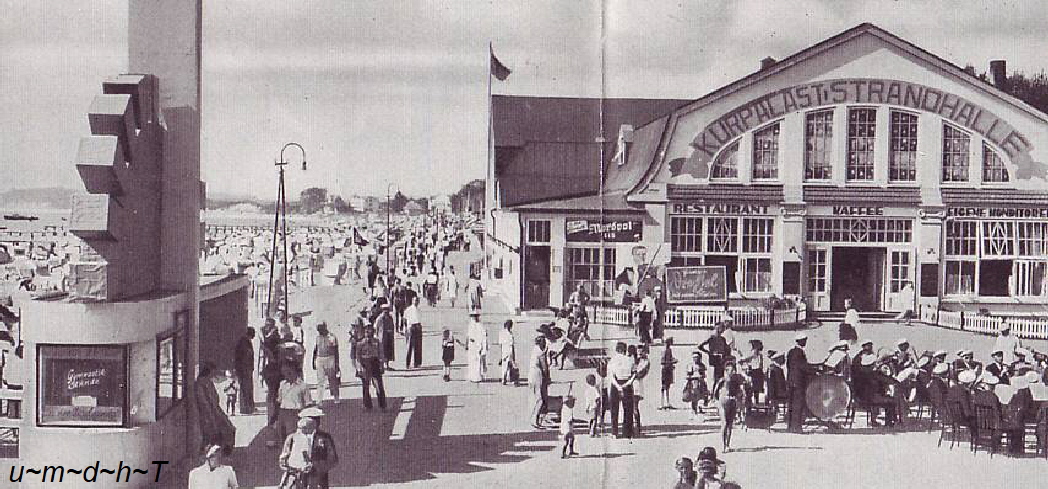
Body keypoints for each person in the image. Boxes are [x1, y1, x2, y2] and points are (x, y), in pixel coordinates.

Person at [195, 363, 236, 454]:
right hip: (209, 412)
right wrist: (212, 413)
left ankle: (226, 450)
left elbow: (214, 397)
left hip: (215, 410)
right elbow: (204, 401)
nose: (214, 375)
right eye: (213, 372)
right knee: (217, 431)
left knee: (229, 428)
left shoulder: (208, 382)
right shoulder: (201, 383)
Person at [295, 406, 339, 488]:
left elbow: (333, 458)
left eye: (317, 420)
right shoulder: (294, 438)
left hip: (319, 480)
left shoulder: (324, 437)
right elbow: (286, 458)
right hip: (300, 479)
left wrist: (317, 467)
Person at [711, 362, 748, 452]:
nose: (731, 372)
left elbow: (741, 392)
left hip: (732, 402)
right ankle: (723, 445)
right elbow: (714, 393)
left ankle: (727, 444)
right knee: (724, 423)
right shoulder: (721, 380)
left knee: (730, 424)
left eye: (733, 370)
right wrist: (716, 402)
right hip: (723, 403)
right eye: (729, 370)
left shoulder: (737, 381)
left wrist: (740, 398)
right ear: (725, 370)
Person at [785, 333, 816, 432]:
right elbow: (803, 366)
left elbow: (789, 366)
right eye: (805, 340)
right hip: (798, 382)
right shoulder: (799, 352)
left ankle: (790, 426)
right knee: (798, 404)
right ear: (801, 341)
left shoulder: (791, 351)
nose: (805, 342)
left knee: (791, 404)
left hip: (791, 381)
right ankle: (797, 427)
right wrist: (814, 370)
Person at [277, 365, 313, 442]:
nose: (286, 375)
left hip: (295, 412)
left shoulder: (303, 386)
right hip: (283, 412)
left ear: (295, 372)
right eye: (285, 373)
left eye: (289, 372)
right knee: (282, 436)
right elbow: (279, 400)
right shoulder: (282, 384)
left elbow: (308, 403)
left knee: (293, 436)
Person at [607, 342, 636, 438]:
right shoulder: (630, 360)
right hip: (626, 384)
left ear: (617, 350)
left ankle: (614, 432)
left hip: (615, 384)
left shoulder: (612, 360)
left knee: (614, 410)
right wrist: (626, 384)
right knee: (628, 409)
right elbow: (634, 374)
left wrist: (618, 386)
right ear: (625, 350)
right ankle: (627, 432)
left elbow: (611, 376)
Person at [260, 320, 284, 432]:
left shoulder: (273, 337)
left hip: (274, 369)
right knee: (274, 396)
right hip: (273, 369)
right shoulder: (273, 336)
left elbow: (268, 348)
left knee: (273, 396)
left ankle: (274, 419)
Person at [356, 325, 387, 410]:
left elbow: (381, 354)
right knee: (366, 386)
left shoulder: (377, 342)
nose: (368, 333)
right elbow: (358, 357)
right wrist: (359, 368)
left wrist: (382, 365)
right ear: (364, 333)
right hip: (365, 363)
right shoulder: (360, 343)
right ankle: (367, 405)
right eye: (367, 331)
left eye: (370, 331)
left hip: (375, 363)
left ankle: (382, 405)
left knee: (378, 385)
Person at [313, 323, 340, 403]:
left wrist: (337, 363)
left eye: (321, 330)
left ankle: (336, 397)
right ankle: (319, 399)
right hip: (320, 358)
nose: (319, 332)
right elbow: (316, 349)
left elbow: (336, 351)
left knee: (332, 379)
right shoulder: (318, 337)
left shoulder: (332, 337)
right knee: (320, 380)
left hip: (330, 358)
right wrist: (313, 360)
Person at [528, 336, 551, 428]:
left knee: (535, 397)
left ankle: (536, 418)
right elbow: (544, 367)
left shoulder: (534, 350)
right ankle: (535, 420)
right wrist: (548, 378)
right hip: (538, 375)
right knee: (540, 399)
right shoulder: (540, 353)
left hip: (531, 375)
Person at [233, 328, 256, 415]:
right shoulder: (244, 342)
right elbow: (246, 356)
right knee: (245, 388)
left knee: (247, 388)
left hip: (246, 369)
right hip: (245, 369)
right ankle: (246, 408)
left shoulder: (245, 341)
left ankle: (248, 407)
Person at [738, 339, 765, 405]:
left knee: (752, 387)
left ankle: (751, 402)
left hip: (755, 371)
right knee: (757, 389)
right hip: (759, 371)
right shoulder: (760, 354)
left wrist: (741, 359)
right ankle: (756, 402)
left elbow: (747, 358)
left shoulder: (754, 352)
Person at [632, 345, 651, 432]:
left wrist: (634, 373)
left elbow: (642, 373)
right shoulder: (632, 358)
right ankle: (635, 424)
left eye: (641, 351)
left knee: (635, 406)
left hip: (637, 385)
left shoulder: (646, 361)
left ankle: (637, 425)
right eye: (638, 350)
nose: (639, 352)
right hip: (630, 384)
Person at [685, 350, 709, 419]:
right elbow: (688, 375)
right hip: (693, 381)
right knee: (693, 395)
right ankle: (694, 409)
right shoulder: (690, 365)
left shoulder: (702, 365)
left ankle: (702, 405)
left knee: (704, 393)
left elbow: (704, 374)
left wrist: (702, 376)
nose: (696, 359)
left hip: (700, 381)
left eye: (697, 358)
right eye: (694, 358)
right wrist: (692, 377)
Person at [466, 312, 489, 383]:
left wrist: (483, 346)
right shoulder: (471, 325)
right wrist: (467, 344)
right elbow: (468, 336)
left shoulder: (480, 326)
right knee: (472, 361)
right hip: (472, 345)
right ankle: (472, 376)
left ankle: (477, 376)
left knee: (477, 361)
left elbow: (483, 337)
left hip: (477, 345)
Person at [374, 303, 396, 371]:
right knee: (382, 351)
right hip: (382, 337)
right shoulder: (379, 318)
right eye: (384, 310)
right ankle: (382, 366)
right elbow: (376, 328)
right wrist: (377, 336)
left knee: (389, 351)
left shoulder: (390, 318)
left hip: (389, 336)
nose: (386, 311)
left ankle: (387, 365)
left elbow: (392, 326)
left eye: (387, 310)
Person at [404, 297, 423, 369]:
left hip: (418, 326)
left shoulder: (419, 310)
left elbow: (420, 319)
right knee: (409, 346)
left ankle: (417, 363)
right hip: (411, 327)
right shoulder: (408, 309)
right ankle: (408, 364)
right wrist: (406, 328)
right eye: (415, 300)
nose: (416, 302)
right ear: (412, 301)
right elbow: (405, 319)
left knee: (418, 346)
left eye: (417, 301)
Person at [660, 337, 678, 410]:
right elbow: (663, 361)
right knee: (664, 387)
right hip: (666, 370)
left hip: (669, 369)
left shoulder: (668, 350)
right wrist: (672, 362)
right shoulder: (665, 350)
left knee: (667, 387)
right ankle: (662, 403)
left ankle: (667, 402)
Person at [499, 320, 518, 386]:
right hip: (508, 352)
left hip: (505, 352)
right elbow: (511, 345)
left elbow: (500, 345)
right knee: (510, 366)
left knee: (506, 366)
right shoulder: (510, 334)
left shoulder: (502, 333)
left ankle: (504, 379)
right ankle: (509, 379)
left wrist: (500, 355)